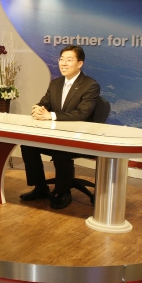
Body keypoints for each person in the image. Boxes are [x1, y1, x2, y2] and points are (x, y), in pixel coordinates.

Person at [19, 45, 100, 210]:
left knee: (60, 150)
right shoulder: (55, 83)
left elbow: (82, 114)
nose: (63, 63)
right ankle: (40, 187)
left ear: (80, 64)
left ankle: (63, 192)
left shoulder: (90, 85)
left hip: (79, 138)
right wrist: (38, 109)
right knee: (28, 145)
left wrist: (51, 115)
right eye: (61, 59)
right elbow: (44, 103)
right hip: (57, 135)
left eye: (69, 60)